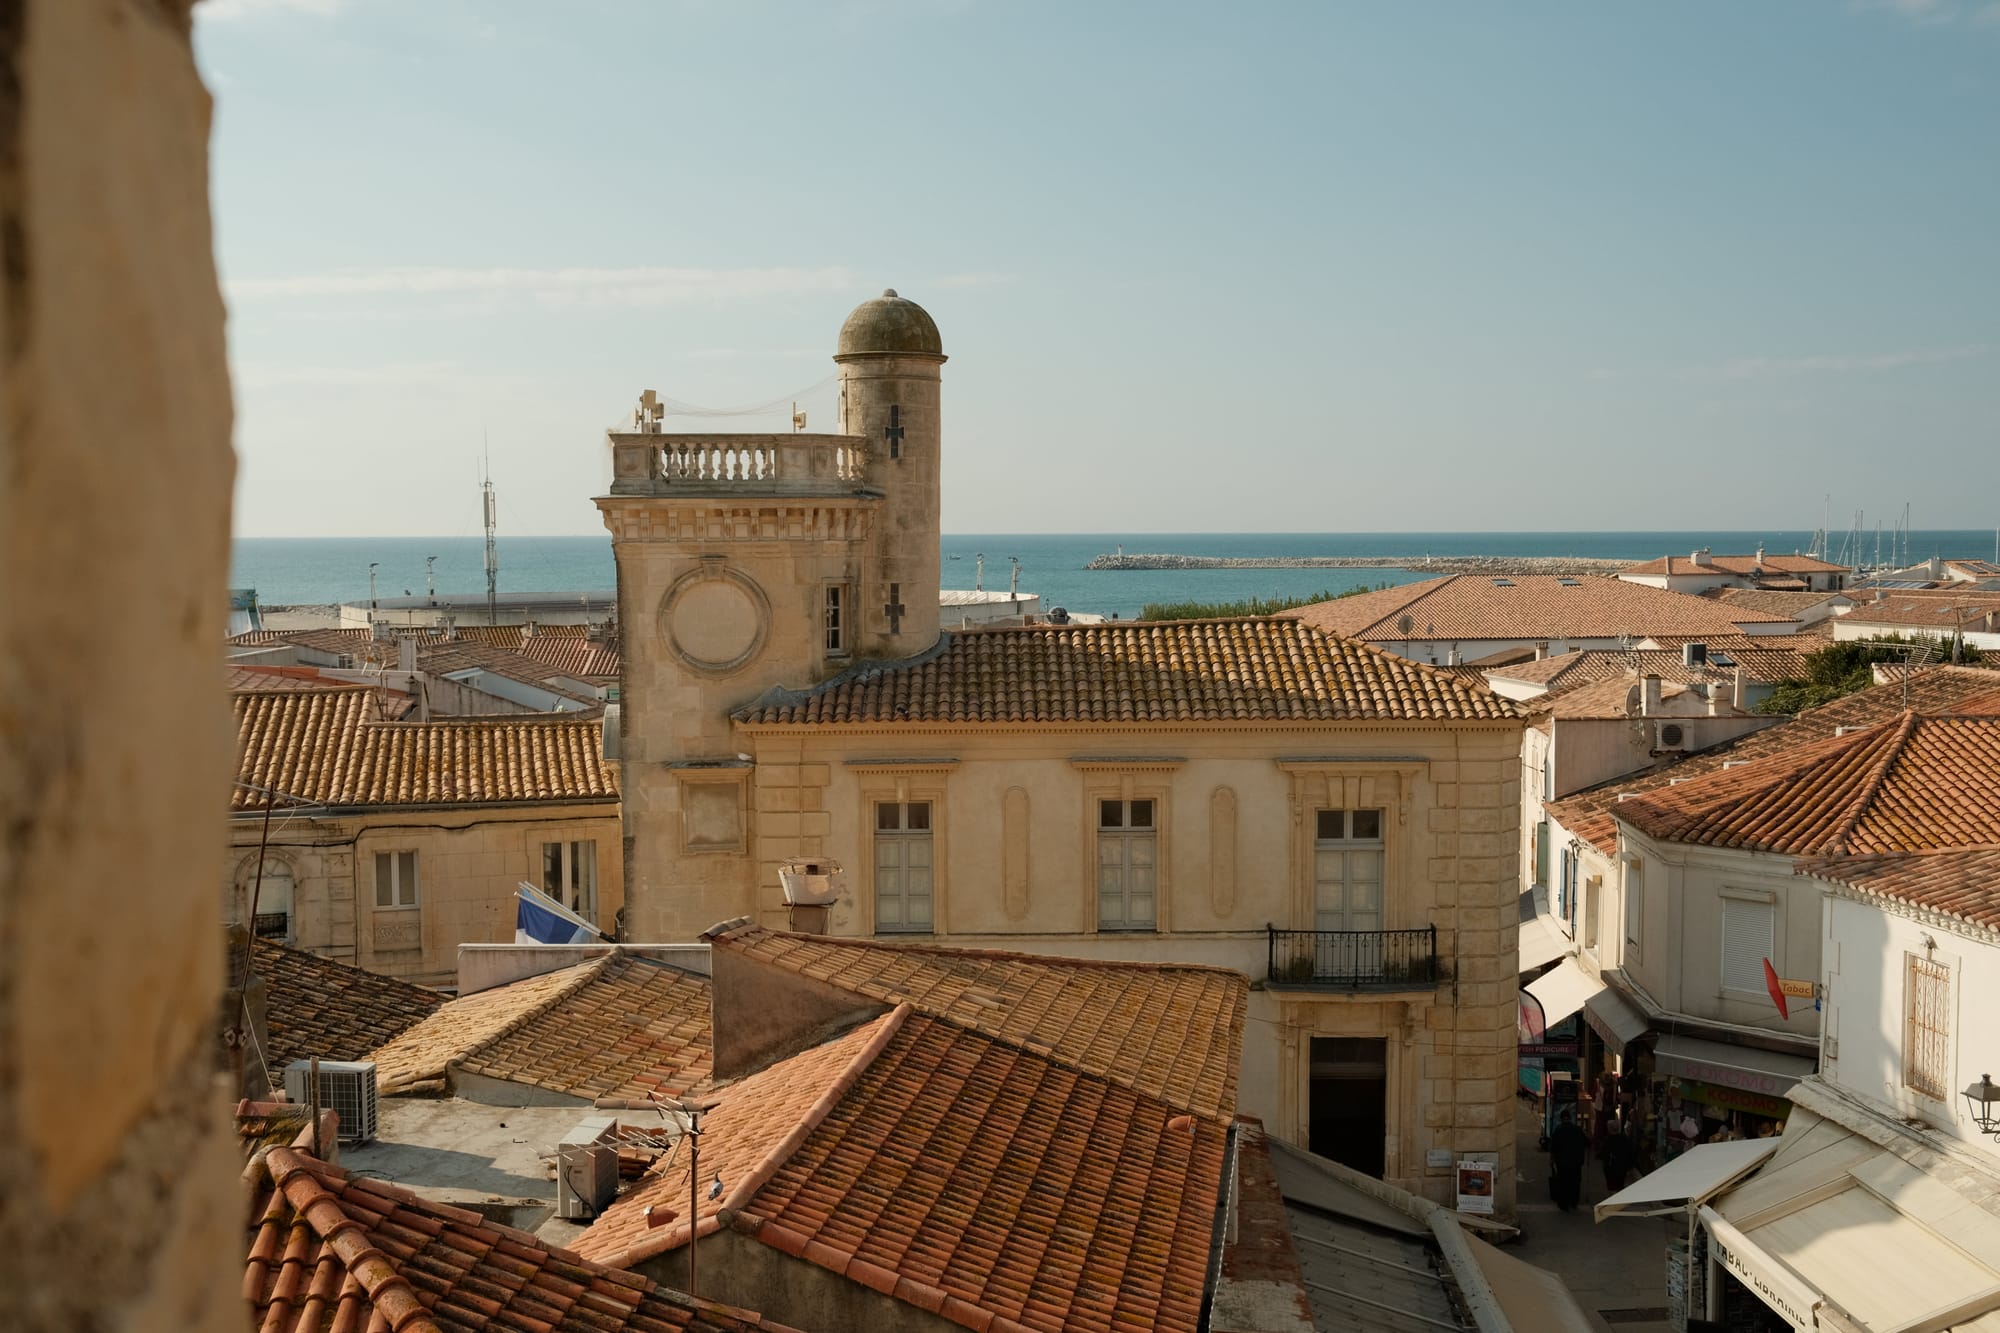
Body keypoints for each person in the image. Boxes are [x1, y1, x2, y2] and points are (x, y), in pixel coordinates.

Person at [1549, 1110, 1590, 1211]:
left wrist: (1551, 1159)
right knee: (1575, 1181)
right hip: (1576, 1161)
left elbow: (1554, 1147)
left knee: (1563, 1182)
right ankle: (1574, 1201)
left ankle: (1564, 1203)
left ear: (1561, 1118)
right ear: (1570, 1118)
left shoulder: (1558, 1130)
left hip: (1562, 1162)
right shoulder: (1578, 1129)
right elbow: (1587, 1143)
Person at [1603, 1120, 1637, 1194]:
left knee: (1612, 1186)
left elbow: (1604, 1154)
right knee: (1620, 1184)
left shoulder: (1607, 1140)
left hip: (1611, 1167)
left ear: (1609, 1128)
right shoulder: (1624, 1139)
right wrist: (1630, 1166)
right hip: (1622, 1167)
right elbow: (1631, 1152)